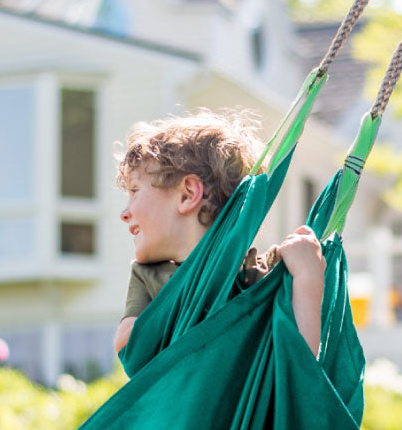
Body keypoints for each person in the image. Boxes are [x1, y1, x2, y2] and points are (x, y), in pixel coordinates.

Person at [111, 111, 325, 358]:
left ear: (188, 194)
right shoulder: (146, 274)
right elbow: (127, 345)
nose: (124, 213)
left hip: (245, 394)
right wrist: (194, 295)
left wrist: (308, 278)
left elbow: (298, 368)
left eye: (135, 190)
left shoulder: (258, 274)